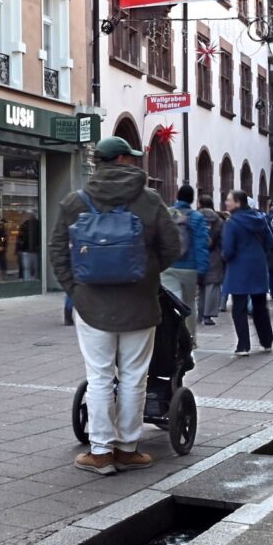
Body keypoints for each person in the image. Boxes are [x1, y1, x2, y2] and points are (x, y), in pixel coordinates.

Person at [49, 137, 183, 475]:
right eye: (132, 158)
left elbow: (57, 252)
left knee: (99, 378)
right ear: (123, 159)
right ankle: (127, 449)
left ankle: (100, 453)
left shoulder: (74, 201)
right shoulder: (150, 200)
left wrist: (75, 290)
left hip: (92, 305)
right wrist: (146, 274)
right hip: (140, 304)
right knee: (135, 377)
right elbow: (172, 248)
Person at [221, 189, 273, 356]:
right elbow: (271, 241)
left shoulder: (232, 223)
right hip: (258, 266)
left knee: (239, 307)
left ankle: (243, 345)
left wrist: (225, 256)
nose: (226, 203)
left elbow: (228, 249)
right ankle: (266, 341)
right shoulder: (261, 219)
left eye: (229, 200)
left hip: (239, 268)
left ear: (238, 203)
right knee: (260, 305)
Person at [160, 183, 208, 341]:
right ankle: (190, 339)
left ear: (177, 196)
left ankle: (171, 338)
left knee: (171, 304)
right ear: (192, 199)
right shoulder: (197, 217)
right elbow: (201, 245)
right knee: (189, 304)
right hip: (190, 267)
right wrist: (202, 269)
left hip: (168, 266)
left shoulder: (167, 213)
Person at [196, 195, 226, 325]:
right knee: (212, 286)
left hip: (198, 255)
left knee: (200, 287)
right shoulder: (219, 220)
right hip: (214, 256)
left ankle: (200, 314)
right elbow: (223, 240)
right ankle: (208, 315)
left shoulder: (194, 217)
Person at [17, 213, 41, 281]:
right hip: (27, 250)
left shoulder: (37, 224)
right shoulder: (26, 224)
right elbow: (20, 237)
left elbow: (20, 237)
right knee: (27, 268)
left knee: (34, 268)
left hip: (33, 250)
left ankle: (33, 281)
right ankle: (28, 281)